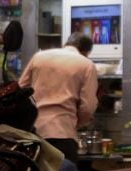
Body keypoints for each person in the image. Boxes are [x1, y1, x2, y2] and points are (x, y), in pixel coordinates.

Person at [18, 33, 100, 163]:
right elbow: (87, 107)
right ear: (86, 52)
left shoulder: (39, 57)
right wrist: (78, 124)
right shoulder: (86, 64)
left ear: (65, 44)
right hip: (62, 133)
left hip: (32, 133)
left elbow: (20, 90)